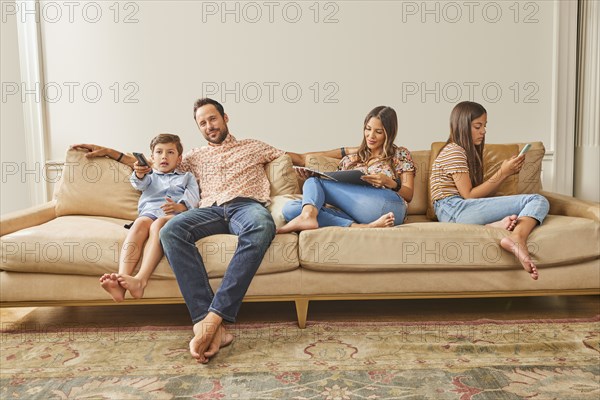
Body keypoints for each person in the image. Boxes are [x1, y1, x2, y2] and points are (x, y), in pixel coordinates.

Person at [74, 98, 304, 363]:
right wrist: (111, 152)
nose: (209, 126)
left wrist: (347, 152)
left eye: (213, 119)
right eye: (203, 123)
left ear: (225, 118)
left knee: (263, 225)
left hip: (245, 206)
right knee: (170, 230)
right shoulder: (193, 156)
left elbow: (297, 157)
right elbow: (153, 164)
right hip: (210, 210)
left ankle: (212, 318)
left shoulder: (253, 146)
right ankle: (207, 323)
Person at [429, 101, 549, 280]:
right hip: (453, 210)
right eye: (478, 126)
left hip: (455, 210)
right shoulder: (454, 151)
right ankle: (518, 238)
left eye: (485, 126)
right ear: (462, 126)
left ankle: (492, 226)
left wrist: (506, 173)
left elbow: (477, 196)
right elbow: (468, 196)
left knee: (532, 202)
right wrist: (503, 172)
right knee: (537, 200)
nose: (483, 131)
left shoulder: (465, 153)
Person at [277, 106, 416, 234]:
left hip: (389, 207)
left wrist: (390, 182)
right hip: (355, 213)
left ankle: (308, 216)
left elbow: (408, 194)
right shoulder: (351, 159)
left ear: (389, 134)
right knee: (291, 209)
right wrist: (314, 190)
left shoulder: (400, 154)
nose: (371, 136)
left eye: (378, 132)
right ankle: (363, 227)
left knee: (315, 181)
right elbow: (335, 200)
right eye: (368, 129)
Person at [99, 134, 199, 302]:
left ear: (179, 158)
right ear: (152, 158)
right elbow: (138, 183)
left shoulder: (186, 177)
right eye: (159, 152)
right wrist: (139, 173)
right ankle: (121, 280)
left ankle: (141, 280)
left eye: (170, 152)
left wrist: (179, 206)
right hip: (149, 213)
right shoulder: (149, 175)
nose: (164, 156)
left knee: (158, 225)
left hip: (173, 215)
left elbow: (193, 198)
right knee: (140, 224)